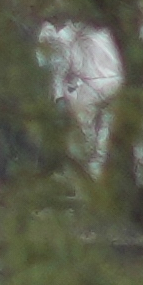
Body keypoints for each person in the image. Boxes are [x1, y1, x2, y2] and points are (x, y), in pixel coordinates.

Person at [38, 21, 124, 177]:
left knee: (98, 142)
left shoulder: (70, 34)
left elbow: (60, 68)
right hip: (102, 89)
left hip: (96, 91)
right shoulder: (108, 29)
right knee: (101, 142)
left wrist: (59, 95)